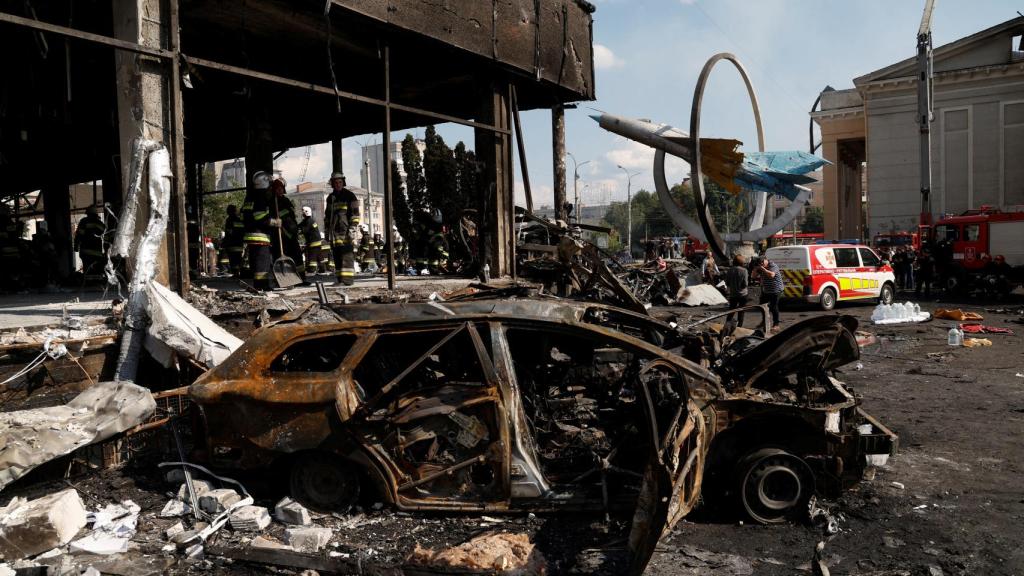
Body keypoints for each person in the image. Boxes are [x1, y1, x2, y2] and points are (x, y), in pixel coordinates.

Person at [324, 172, 360, 286]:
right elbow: (328, 215)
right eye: (335, 182)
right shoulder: (331, 198)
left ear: (343, 182)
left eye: (340, 182)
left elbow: (355, 214)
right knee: (337, 255)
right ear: (332, 184)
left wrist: (353, 228)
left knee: (346, 255)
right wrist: (326, 231)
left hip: (346, 231)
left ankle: (347, 280)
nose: (338, 184)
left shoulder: (350, 196)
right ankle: (340, 279)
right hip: (334, 232)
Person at [242, 171, 276, 290]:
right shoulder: (260, 197)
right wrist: (274, 222)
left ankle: (260, 285)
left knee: (257, 262)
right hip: (260, 235)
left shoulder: (250, 197)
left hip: (251, 235)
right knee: (263, 263)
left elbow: (247, 215)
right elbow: (260, 217)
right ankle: (262, 285)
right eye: (270, 184)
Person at [271, 178, 303, 277]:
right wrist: (275, 222)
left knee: (297, 255)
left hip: (291, 233)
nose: (280, 190)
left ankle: (301, 277)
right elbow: (268, 219)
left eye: (281, 188)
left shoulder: (286, 200)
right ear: (274, 190)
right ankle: (283, 277)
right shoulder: (271, 202)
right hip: (279, 235)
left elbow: (291, 217)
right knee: (279, 256)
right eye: (278, 189)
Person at [74, 205, 107, 279]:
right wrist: (106, 251)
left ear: (88, 213)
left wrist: (76, 246)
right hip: (97, 252)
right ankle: (96, 283)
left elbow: (79, 234)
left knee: (87, 270)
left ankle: (88, 283)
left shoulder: (84, 221)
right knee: (96, 270)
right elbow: (106, 237)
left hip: (85, 251)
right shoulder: (100, 224)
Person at [752, 256, 783, 330]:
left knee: (773, 307)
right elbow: (753, 276)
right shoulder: (761, 266)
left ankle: (776, 324)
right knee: (762, 306)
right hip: (766, 290)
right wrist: (756, 269)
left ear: (766, 260)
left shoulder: (773, 265)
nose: (762, 264)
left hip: (776, 290)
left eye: (763, 262)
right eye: (760, 263)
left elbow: (772, 275)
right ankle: (764, 321)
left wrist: (763, 269)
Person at [724, 254, 749, 329]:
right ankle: (739, 328)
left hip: (733, 294)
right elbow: (745, 284)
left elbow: (727, 283)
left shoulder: (730, 270)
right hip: (743, 295)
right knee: (741, 312)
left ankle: (726, 326)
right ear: (742, 262)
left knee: (731, 311)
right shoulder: (744, 271)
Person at [298, 206, 324, 276]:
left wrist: (298, 232)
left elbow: (304, 230)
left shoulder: (309, 221)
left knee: (312, 256)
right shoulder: (308, 220)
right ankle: (322, 269)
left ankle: (311, 270)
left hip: (313, 243)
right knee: (319, 256)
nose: (302, 214)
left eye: (303, 213)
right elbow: (299, 226)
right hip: (316, 242)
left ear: (305, 213)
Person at [222, 204, 244, 276]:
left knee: (233, 259)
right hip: (239, 243)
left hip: (232, 243)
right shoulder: (239, 220)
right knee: (238, 258)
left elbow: (228, 232)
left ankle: (235, 273)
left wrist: (225, 242)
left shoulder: (229, 220)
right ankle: (238, 272)